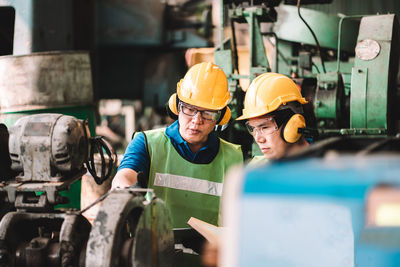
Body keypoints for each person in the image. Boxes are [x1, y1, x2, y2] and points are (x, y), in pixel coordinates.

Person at [112, 62, 243, 228]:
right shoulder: (147, 143)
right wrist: (126, 189)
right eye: (189, 109)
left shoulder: (233, 157)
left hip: (208, 253)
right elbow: (124, 176)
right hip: (151, 250)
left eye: (208, 113)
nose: (197, 121)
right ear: (177, 106)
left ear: (221, 117)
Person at [236, 72, 309, 165]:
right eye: (253, 129)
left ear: (294, 124)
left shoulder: (321, 170)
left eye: (265, 127)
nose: (258, 139)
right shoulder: (256, 168)